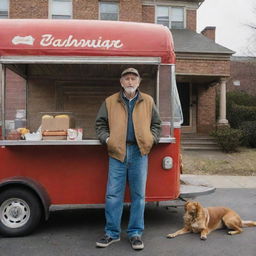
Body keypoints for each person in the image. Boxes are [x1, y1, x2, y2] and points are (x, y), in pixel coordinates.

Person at [95, 67, 161, 250]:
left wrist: (151, 140)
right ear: (121, 82)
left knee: (138, 196)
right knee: (113, 194)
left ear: (139, 82)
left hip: (139, 153)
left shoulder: (148, 101)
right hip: (117, 153)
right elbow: (100, 124)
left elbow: (157, 124)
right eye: (127, 79)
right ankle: (112, 233)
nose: (130, 81)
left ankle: (135, 233)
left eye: (133, 78)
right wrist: (107, 140)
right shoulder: (110, 101)